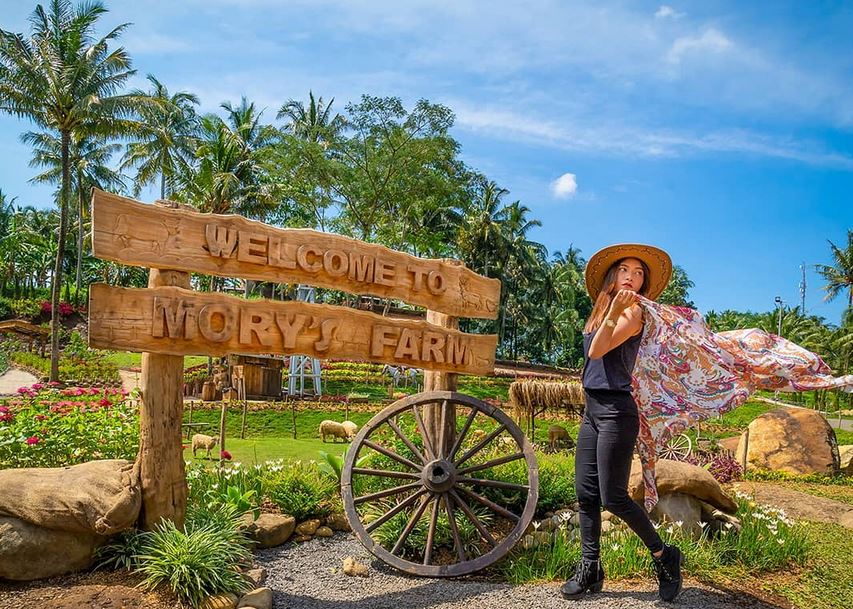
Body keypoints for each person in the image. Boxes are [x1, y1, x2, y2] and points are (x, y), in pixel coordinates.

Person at [561, 243, 683, 602]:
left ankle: (664, 555)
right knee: (586, 494)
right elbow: (592, 358)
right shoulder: (600, 313)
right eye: (625, 270)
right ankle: (591, 568)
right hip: (592, 409)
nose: (632, 276)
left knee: (613, 497)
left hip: (617, 411)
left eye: (639, 272)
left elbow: (597, 350)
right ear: (613, 276)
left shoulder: (632, 315)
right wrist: (609, 310)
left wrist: (615, 310)